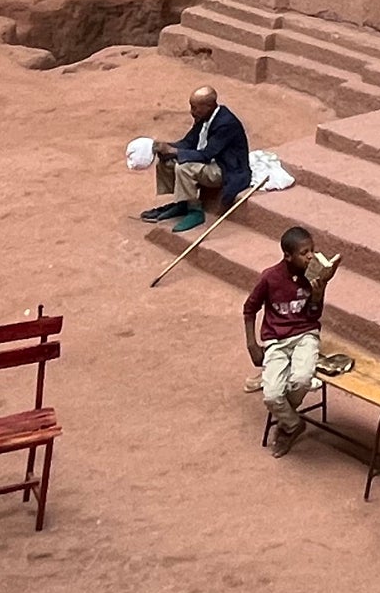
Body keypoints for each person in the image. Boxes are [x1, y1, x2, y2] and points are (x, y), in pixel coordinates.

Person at [246, 225, 339, 456]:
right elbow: (249, 309)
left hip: (305, 335)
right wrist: (252, 344)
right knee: (271, 395)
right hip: (276, 341)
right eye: (304, 252)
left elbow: (313, 316)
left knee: (301, 379)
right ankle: (294, 424)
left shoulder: (314, 278)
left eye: (312, 251)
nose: (310, 256)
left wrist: (318, 294)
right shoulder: (270, 277)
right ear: (288, 256)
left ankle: (286, 426)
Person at [139, 85, 251, 232]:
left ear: (209, 106)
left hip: (226, 169)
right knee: (167, 161)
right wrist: (166, 147)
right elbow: (189, 142)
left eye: (196, 108)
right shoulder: (204, 117)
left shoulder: (226, 124)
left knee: (184, 167)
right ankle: (182, 202)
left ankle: (195, 212)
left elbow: (207, 154)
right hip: (210, 161)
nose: (192, 112)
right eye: (192, 107)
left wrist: (175, 151)